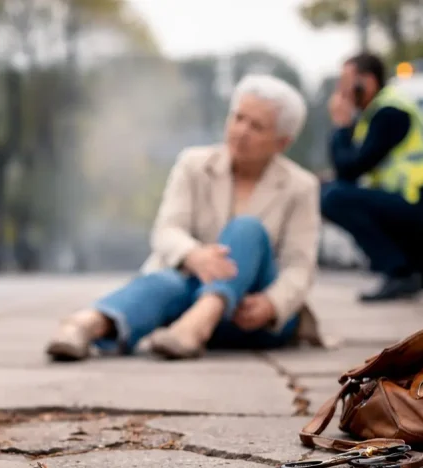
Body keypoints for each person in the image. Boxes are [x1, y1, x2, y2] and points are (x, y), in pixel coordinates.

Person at [45, 74, 322, 362]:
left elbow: (300, 267)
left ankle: (199, 322)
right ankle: (85, 325)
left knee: (247, 230)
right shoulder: (193, 164)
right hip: (186, 302)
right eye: (238, 118)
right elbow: (167, 230)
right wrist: (195, 256)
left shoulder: (300, 186)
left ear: (282, 142)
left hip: (255, 316)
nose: (241, 131)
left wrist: (271, 304)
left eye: (256, 126)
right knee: (166, 283)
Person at [321, 52, 423, 302]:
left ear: (366, 81)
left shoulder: (391, 113)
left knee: (334, 198)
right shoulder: (376, 113)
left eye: (346, 82)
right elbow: (348, 173)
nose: (342, 91)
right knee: (338, 193)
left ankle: (399, 272)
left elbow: (351, 168)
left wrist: (342, 126)